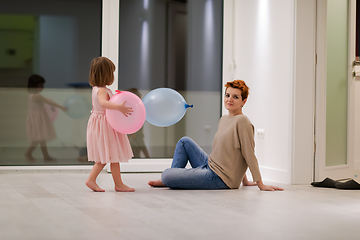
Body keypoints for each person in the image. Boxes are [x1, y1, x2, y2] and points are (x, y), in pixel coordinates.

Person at [148, 79, 284, 191]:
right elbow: (234, 155)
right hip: (210, 165)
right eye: (227, 95)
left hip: (220, 178)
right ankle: (171, 179)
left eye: (235, 97)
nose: (229, 99)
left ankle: (169, 179)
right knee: (185, 141)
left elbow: (248, 153)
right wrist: (245, 181)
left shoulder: (243, 122)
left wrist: (260, 183)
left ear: (244, 101)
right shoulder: (224, 119)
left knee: (166, 175)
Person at [85, 56, 135, 192]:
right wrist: (118, 106)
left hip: (102, 123)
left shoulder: (96, 89)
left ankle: (117, 184)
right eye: (111, 73)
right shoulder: (101, 90)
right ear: (106, 74)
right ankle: (93, 180)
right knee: (108, 156)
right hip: (104, 125)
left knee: (112, 156)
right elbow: (102, 103)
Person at [24, 74, 67, 162]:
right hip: (38, 118)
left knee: (41, 137)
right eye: (40, 85)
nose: (42, 87)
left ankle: (45, 155)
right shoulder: (37, 96)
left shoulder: (31, 95)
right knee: (39, 138)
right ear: (34, 86)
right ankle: (29, 153)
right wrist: (61, 107)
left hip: (36, 118)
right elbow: (49, 102)